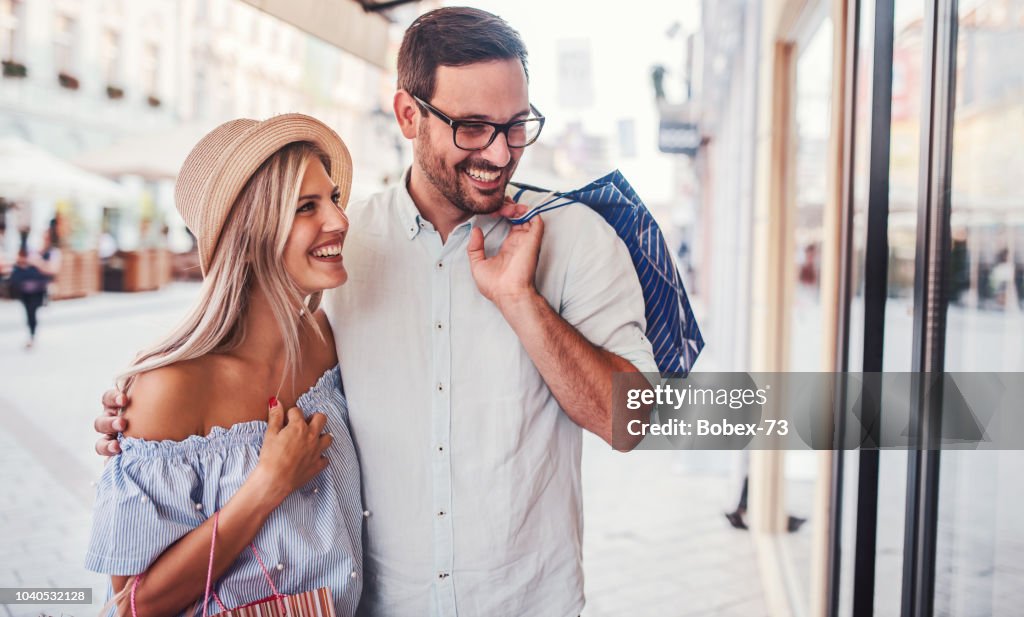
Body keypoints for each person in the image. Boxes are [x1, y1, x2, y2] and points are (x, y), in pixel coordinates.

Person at [96, 8, 657, 616]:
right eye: (471, 127)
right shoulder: (341, 253)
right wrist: (145, 421)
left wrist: (522, 303)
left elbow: (636, 423)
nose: (500, 151)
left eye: (517, 125)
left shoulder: (575, 237)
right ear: (408, 115)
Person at [86, 115, 363, 616]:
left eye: (334, 198)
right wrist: (268, 485)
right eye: (307, 207)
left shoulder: (326, 342)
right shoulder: (171, 386)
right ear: (253, 229)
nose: (340, 220)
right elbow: (133, 605)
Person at [8, 235, 60, 348]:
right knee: (29, 313)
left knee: (32, 312)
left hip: (38, 289)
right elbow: (18, 263)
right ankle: (32, 334)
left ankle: (32, 335)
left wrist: (37, 262)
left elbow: (52, 269)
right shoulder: (29, 252)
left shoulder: (51, 253)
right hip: (25, 289)